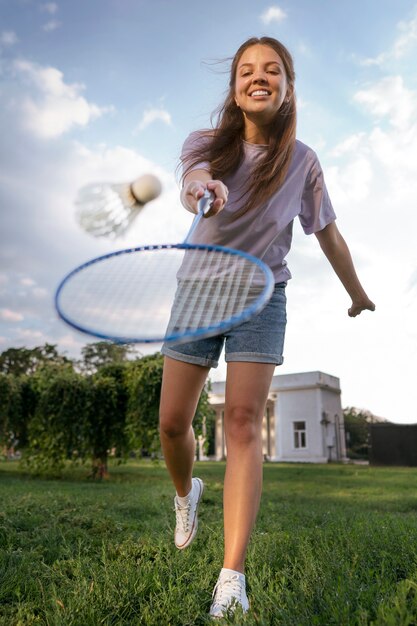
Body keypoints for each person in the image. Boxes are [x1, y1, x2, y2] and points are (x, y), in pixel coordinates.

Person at [159, 36, 375, 619]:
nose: (260, 77)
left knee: (243, 424)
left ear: (287, 86)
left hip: (262, 293)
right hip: (199, 289)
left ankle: (232, 576)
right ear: (234, 86)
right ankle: (186, 495)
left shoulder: (302, 161)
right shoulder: (204, 144)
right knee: (173, 424)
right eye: (247, 71)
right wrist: (201, 188)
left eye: (272, 70)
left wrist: (357, 294)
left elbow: (326, 231)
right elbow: (192, 179)